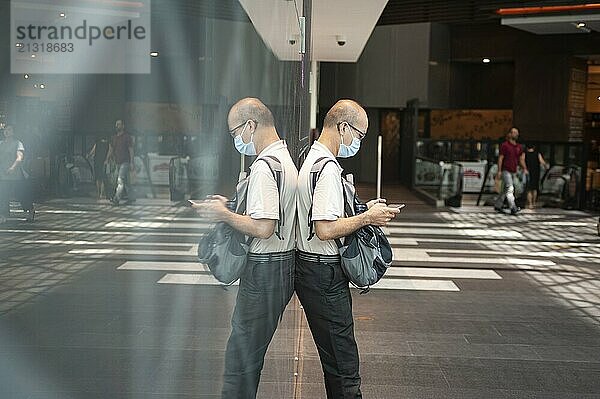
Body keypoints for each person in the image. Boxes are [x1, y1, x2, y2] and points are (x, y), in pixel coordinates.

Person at [192, 98, 298, 399]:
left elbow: (263, 227)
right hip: (279, 270)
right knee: (249, 360)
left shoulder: (265, 166)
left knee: (240, 364)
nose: (236, 139)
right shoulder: (284, 160)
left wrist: (223, 214)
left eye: (235, 132)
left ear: (251, 125)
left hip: (264, 272)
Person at [295, 99, 400, 398]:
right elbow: (325, 228)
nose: (359, 142)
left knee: (336, 363)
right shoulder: (327, 168)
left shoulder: (311, 158)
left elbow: (324, 213)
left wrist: (364, 209)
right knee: (345, 368)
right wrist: (368, 218)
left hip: (311, 270)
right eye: (360, 135)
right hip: (324, 274)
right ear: (343, 127)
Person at [0, 125, 34, 223]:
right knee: (3, 195)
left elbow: (19, 158)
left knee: (20, 195)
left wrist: (12, 168)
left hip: (15, 175)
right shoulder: (1, 144)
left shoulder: (18, 143)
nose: (6, 132)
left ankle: (30, 210)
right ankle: (3, 215)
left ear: (14, 132)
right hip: (2, 174)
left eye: (9, 130)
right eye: (5, 130)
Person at [495, 127, 528, 215]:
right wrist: (499, 171)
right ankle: (513, 207)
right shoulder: (505, 145)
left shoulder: (519, 147)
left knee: (505, 190)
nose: (516, 134)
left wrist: (524, 168)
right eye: (514, 132)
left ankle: (498, 205)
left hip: (514, 170)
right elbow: (501, 158)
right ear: (509, 134)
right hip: (506, 170)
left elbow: (521, 159)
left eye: (517, 133)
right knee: (510, 188)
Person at [106, 120, 134, 205]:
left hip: (125, 162)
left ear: (123, 126)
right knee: (125, 181)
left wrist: (132, 162)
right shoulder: (114, 138)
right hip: (117, 162)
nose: (117, 126)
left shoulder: (127, 137)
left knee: (120, 180)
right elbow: (110, 150)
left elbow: (131, 150)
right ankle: (131, 197)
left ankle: (116, 198)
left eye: (119, 124)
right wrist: (107, 159)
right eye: (116, 124)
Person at [524, 143, 549, 209]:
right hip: (536, 172)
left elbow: (522, 161)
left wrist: (524, 168)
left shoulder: (525, 154)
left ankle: (530, 204)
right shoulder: (537, 154)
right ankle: (534, 202)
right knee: (534, 188)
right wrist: (546, 167)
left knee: (529, 189)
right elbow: (542, 162)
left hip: (528, 172)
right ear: (534, 147)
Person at [88, 136, 110, 200]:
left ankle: (98, 193)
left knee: (98, 178)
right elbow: (110, 152)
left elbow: (92, 151)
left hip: (96, 161)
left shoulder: (97, 143)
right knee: (103, 178)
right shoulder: (108, 144)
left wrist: (88, 156)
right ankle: (102, 194)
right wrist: (107, 159)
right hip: (103, 162)